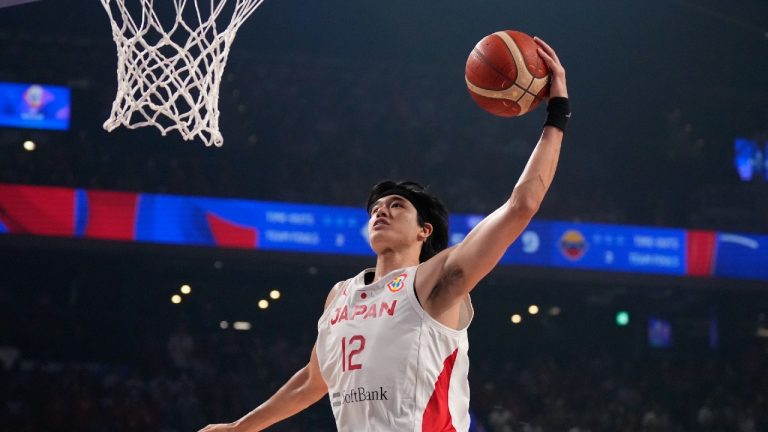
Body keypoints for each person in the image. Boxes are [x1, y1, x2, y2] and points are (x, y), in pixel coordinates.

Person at [200, 36, 569, 432]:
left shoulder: (435, 281)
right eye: (377, 207)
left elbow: (522, 205)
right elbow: (312, 381)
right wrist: (242, 428)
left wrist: (557, 112)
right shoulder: (340, 295)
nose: (381, 211)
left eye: (397, 206)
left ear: (424, 231)